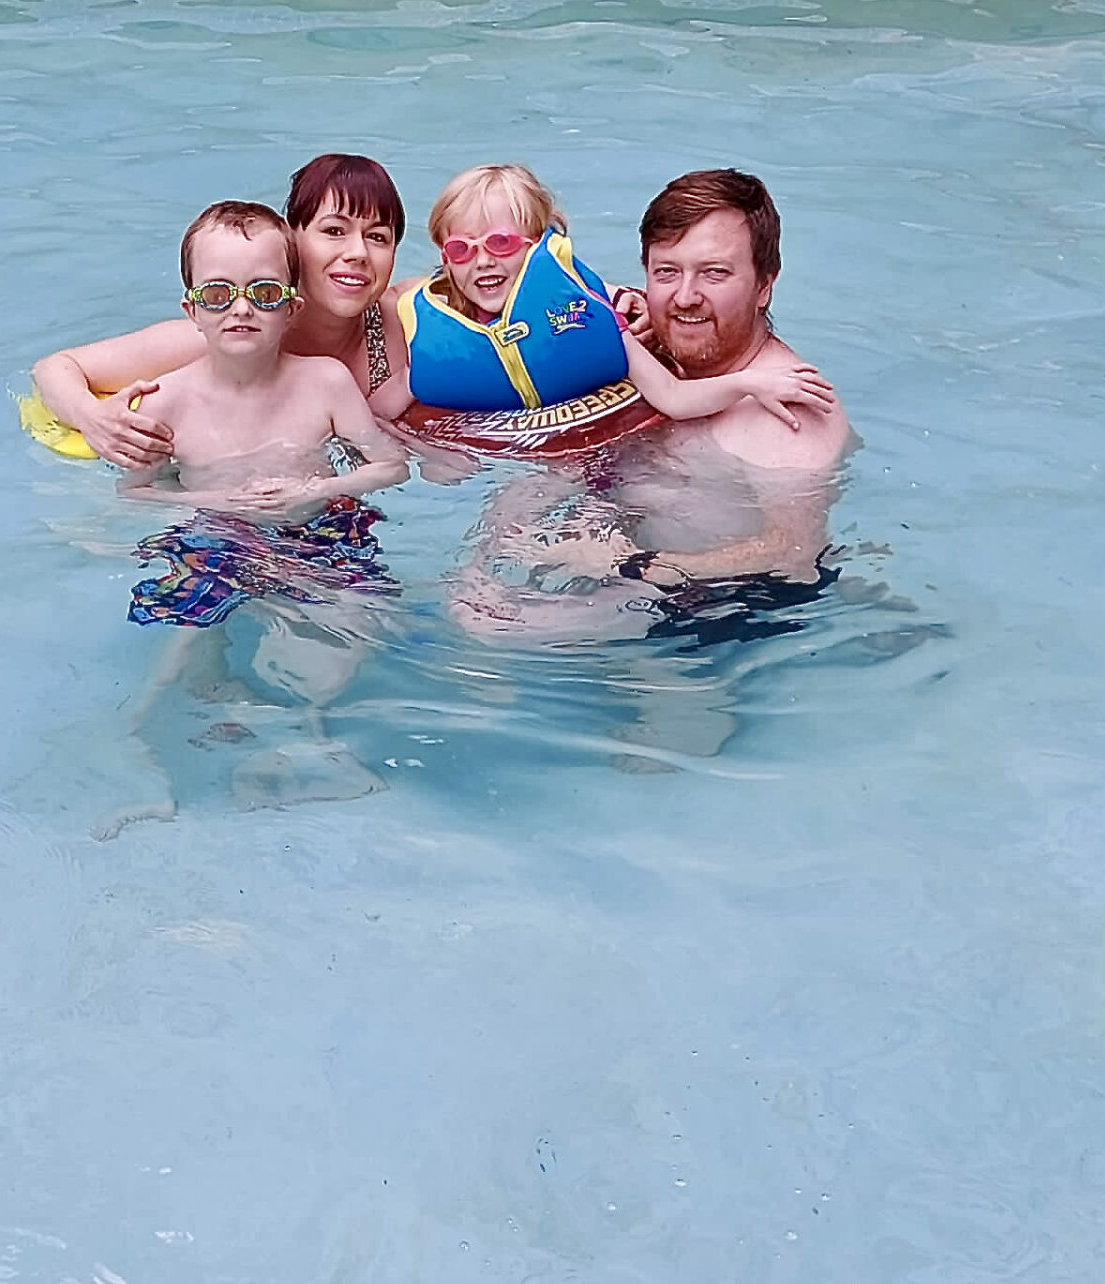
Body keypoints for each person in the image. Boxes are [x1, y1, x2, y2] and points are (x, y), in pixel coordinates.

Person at [449, 168, 854, 653]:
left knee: (492, 631)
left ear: (764, 284)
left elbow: (792, 555)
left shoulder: (789, 414)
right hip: (618, 552)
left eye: (715, 273)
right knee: (468, 606)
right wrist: (488, 550)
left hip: (721, 612)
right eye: (667, 272)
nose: (685, 298)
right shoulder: (643, 349)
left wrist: (627, 564)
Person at [101, 201, 407, 828]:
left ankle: (310, 738)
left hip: (315, 529)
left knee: (364, 627)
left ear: (292, 307)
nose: (240, 309)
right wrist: (213, 503)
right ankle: (148, 763)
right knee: (185, 647)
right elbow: (135, 495)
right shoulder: (169, 400)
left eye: (263, 293)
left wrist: (315, 493)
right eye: (218, 294)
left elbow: (391, 466)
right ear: (193, 311)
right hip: (216, 534)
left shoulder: (321, 382)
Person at [30, 154, 412, 466]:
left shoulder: (406, 323)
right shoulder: (214, 340)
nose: (358, 253)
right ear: (291, 240)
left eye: (378, 237)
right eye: (333, 231)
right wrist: (92, 419)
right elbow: (54, 368)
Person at [399, 163, 835, 431]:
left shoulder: (589, 316)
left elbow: (672, 397)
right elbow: (388, 403)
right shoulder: (435, 320)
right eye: (460, 249)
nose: (482, 263)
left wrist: (750, 383)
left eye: (501, 245)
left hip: (588, 471)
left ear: (540, 247)